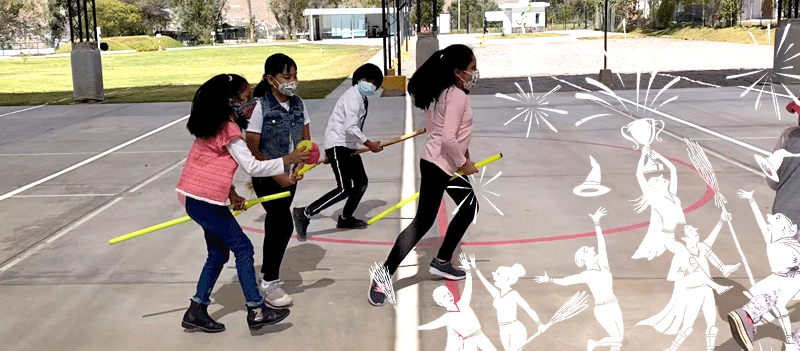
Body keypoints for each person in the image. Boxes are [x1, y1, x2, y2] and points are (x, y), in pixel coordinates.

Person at [177, 74, 309, 332]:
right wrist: (288, 158)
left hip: (195, 198)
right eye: (247, 97)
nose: (251, 103)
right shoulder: (229, 129)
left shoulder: (212, 124)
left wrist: (232, 194)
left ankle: (196, 310)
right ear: (230, 101)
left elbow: (208, 168)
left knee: (217, 254)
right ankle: (256, 310)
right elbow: (252, 166)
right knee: (244, 249)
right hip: (206, 203)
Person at [369, 44, 481, 306]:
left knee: (468, 207)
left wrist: (465, 157)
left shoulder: (450, 91)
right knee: (423, 222)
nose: (475, 73)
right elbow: (449, 139)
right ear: (457, 71)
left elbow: (455, 134)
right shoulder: (457, 96)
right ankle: (382, 276)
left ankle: (442, 261)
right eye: (472, 68)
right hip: (439, 164)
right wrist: (464, 163)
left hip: (445, 164)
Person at [246, 53, 312, 308]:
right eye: (287, 76)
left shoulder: (298, 104)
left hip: (289, 174)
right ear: (270, 79)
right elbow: (253, 148)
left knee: (276, 225)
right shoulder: (259, 107)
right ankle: (270, 282)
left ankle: (267, 276)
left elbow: (305, 140)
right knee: (283, 223)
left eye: (295, 76)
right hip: (266, 174)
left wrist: (299, 166)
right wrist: (277, 174)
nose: (293, 81)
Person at [292, 63, 385, 240]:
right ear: (359, 79)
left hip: (347, 145)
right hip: (339, 144)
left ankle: (345, 218)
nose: (371, 84)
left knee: (361, 183)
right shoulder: (353, 97)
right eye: (367, 80)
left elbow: (347, 124)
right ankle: (304, 213)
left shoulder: (361, 97)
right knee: (344, 188)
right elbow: (350, 126)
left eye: (374, 82)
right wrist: (369, 144)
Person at [637, 209, 739, 351]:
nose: (695, 230)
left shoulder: (701, 247)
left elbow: (712, 239)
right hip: (693, 292)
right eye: (691, 230)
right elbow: (673, 274)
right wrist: (686, 272)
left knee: (712, 324)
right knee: (687, 326)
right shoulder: (681, 253)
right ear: (684, 238)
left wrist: (721, 220)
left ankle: (710, 349)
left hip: (707, 291)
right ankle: (672, 349)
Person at [535, 208, 623, 351]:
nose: (591, 248)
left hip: (614, 304)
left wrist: (596, 223)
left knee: (617, 343)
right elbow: (565, 281)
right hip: (603, 309)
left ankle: (597, 344)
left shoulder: (603, 265)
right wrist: (549, 279)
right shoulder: (587, 275)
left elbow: (602, 243)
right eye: (586, 250)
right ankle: (594, 343)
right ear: (583, 259)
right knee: (617, 340)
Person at [727, 190, 800, 351]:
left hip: (788, 203)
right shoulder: (787, 244)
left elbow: (762, 222)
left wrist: (752, 200)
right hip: (791, 273)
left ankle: (748, 314)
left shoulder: (775, 240)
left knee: (773, 294)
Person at [418, 254, 498, 351]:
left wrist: (468, 271)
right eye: (445, 295)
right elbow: (431, 325)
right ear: (440, 302)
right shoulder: (447, 317)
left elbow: (468, 287)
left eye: (448, 293)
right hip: (468, 341)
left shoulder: (462, 304)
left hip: (479, 335)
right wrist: (417, 328)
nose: (449, 295)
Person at [472, 259, 547, 351]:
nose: (494, 275)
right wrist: (475, 268)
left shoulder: (513, 294)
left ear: (507, 279)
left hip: (515, 329)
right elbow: (485, 283)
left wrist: (539, 324)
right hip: (503, 330)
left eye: (498, 274)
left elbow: (528, 308)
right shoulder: (497, 294)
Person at [631, 146, 686, 260]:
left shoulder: (673, 195)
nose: (661, 176)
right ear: (654, 188)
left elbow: (673, 169)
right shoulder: (656, 200)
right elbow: (639, 176)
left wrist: (659, 156)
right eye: (657, 180)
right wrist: (642, 156)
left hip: (681, 233)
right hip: (669, 237)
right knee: (684, 252)